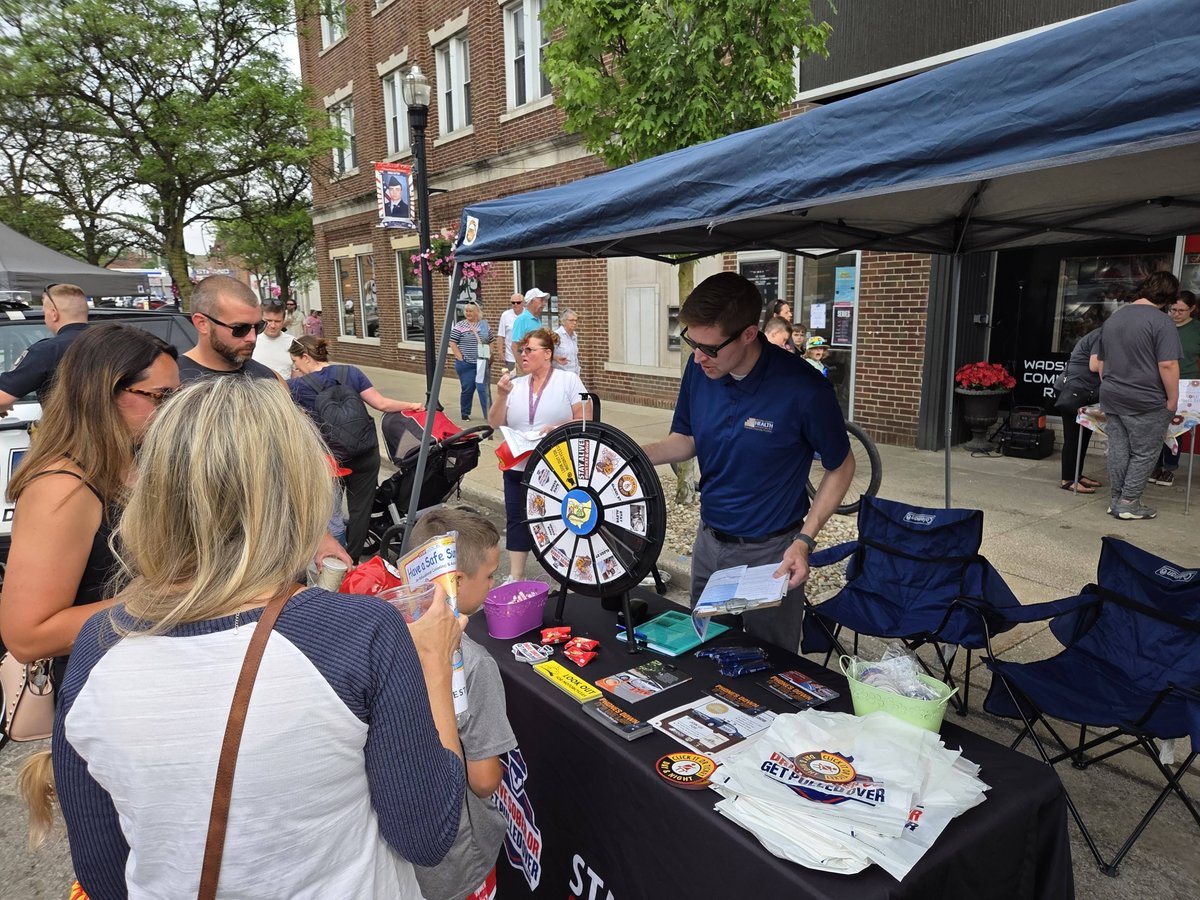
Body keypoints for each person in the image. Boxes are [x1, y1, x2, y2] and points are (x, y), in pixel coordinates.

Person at [40, 377, 466, 896]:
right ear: (300, 491)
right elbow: (428, 833)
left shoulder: (95, 645)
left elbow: (104, 870)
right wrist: (435, 665)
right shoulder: (358, 631)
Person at [644, 273, 854, 651]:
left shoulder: (804, 389)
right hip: (710, 542)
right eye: (691, 341)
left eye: (709, 347)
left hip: (773, 553)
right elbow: (687, 439)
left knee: (772, 666)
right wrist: (631, 454)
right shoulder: (701, 367)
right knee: (705, 652)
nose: (698, 356)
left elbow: (842, 466)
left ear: (748, 334)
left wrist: (805, 540)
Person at [0, 325, 179, 688]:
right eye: (161, 397)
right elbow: (27, 636)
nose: (172, 412)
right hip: (102, 690)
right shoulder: (62, 487)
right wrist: (172, 596)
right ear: (104, 394)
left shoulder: (133, 459)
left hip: (144, 675)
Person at [408, 507, 517, 900]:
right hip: (458, 859)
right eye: (489, 575)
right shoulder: (475, 665)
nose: (494, 582)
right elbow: (484, 781)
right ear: (455, 580)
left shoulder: (390, 635)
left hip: (404, 854)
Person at [288, 335, 423, 561]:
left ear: (305, 357)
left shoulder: (296, 387)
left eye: (296, 362)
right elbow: (381, 404)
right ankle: (354, 558)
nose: (296, 368)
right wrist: (412, 405)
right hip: (365, 453)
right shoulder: (351, 372)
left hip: (330, 459)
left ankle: (335, 563)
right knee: (361, 511)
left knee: (331, 513)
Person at [488, 328, 587, 581]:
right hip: (518, 464)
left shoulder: (568, 381)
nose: (523, 354)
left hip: (556, 467)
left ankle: (566, 574)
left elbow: (586, 418)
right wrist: (501, 396)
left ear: (547, 354)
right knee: (517, 517)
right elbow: (495, 422)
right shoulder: (515, 385)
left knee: (562, 519)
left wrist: (556, 429)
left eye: (529, 350)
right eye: (521, 350)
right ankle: (516, 576)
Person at [1092, 271, 1183, 520]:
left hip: (1112, 394)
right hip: (1146, 398)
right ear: (1169, 296)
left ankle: (1116, 500)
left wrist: (1110, 385)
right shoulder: (1162, 321)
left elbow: (1100, 362)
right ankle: (1129, 502)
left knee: (1119, 449)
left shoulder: (1114, 318)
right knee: (1144, 452)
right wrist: (1173, 400)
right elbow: (1168, 365)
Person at [0, 282, 90, 416]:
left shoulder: (48, 351)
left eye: (44, 313)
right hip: (120, 434)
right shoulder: (120, 342)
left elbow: (3, 398)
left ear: (53, 314)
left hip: (70, 434)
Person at [178, 274, 275, 381]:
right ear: (202, 323)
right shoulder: (169, 383)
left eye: (258, 326)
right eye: (240, 328)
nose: (252, 338)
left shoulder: (269, 379)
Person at [1149, 290, 1200, 487]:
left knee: (1178, 427)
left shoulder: (1196, 329)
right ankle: (1154, 464)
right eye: (1173, 309)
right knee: (1156, 423)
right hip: (1159, 380)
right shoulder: (1163, 325)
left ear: (1192, 309)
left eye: (1181, 310)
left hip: (1186, 383)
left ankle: (1169, 467)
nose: (1176, 314)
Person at [1054, 326, 1103, 493]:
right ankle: (1067, 480)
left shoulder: (1106, 335)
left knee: (1084, 436)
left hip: (1086, 393)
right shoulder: (1102, 335)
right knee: (1073, 437)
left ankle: (1077, 475)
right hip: (1074, 392)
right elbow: (1095, 365)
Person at [449, 302, 494, 421]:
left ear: (477, 312)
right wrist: (459, 357)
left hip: (481, 363)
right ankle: (465, 413)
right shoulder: (460, 325)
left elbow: (490, 341)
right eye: (467, 311)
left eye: (471, 311)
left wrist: (490, 353)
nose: (468, 313)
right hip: (466, 363)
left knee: (483, 389)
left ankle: (489, 415)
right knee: (468, 388)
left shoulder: (483, 325)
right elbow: (452, 342)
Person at [251, 302, 295, 378]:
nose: (273, 326)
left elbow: (297, 373)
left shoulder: (293, 342)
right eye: (268, 321)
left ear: (283, 320)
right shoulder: (251, 341)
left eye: (277, 321)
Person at [510, 288, 548, 360]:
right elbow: (515, 347)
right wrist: (524, 368)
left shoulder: (537, 320)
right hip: (527, 366)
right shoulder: (521, 319)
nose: (544, 304)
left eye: (544, 301)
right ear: (531, 301)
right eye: (541, 300)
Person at [498, 294, 523, 370]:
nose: (515, 304)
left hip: (526, 356)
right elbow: (501, 335)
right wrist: (500, 352)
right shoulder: (505, 315)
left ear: (523, 303)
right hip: (510, 356)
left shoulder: (527, 315)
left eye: (518, 302)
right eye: (513, 302)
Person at [554, 308, 581, 375]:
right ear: (563, 321)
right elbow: (546, 353)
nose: (574, 323)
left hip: (574, 375)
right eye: (571, 320)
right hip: (561, 375)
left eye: (576, 320)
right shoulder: (556, 335)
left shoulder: (574, 335)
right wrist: (555, 358)